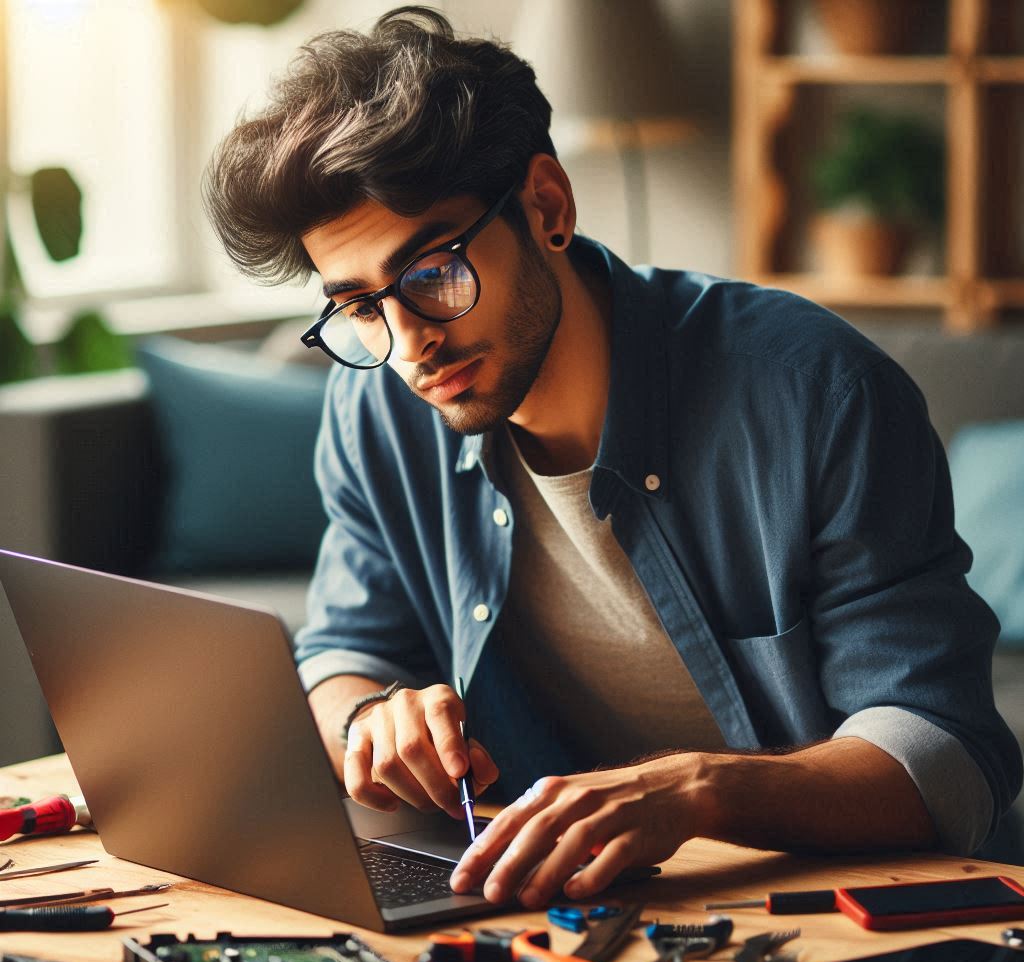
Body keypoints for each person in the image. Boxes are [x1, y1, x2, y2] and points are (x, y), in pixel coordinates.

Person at [203, 7, 1021, 909]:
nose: (407, 346)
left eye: (433, 273)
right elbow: (342, 651)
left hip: (827, 910)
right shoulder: (374, 408)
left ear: (547, 208)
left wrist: (694, 791)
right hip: (552, 901)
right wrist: (369, 717)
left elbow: (945, 755)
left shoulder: (816, 394)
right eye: (360, 306)